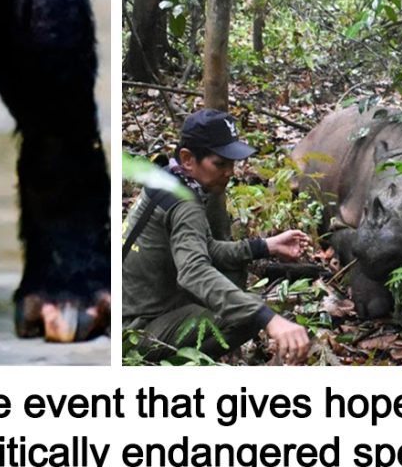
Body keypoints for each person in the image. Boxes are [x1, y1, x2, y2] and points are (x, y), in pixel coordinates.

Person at [122, 108, 311, 364]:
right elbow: (194, 271)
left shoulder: (168, 179)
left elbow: (204, 248)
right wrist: (269, 319)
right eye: (220, 164)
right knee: (247, 316)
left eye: (232, 163)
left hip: (125, 309)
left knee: (236, 280)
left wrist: (265, 246)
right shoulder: (185, 205)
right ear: (188, 159)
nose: (230, 172)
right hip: (134, 332)